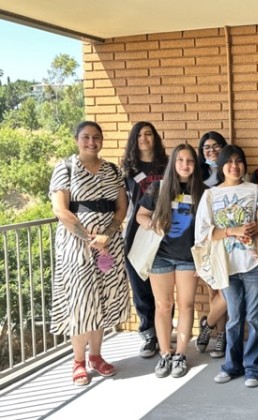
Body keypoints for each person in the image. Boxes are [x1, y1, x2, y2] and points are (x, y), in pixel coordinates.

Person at [49, 121, 130, 386]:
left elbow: (121, 207)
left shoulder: (112, 170)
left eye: (97, 137)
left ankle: (96, 356)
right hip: (76, 246)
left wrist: (107, 234)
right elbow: (61, 210)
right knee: (82, 301)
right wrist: (88, 238)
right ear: (77, 139)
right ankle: (78, 362)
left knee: (103, 301)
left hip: (109, 244)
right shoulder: (65, 168)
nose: (92, 142)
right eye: (86, 137)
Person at [195, 145, 258, 388]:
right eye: (229, 161)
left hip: (254, 264)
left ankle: (254, 368)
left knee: (256, 318)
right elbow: (202, 233)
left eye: (239, 161)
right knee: (234, 318)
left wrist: (257, 225)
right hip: (226, 266)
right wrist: (231, 231)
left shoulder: (256, 191)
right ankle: (231, 365)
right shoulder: (211, 195)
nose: (234, 166)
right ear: (221, 165)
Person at [136, 143, 205, 378]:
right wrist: (151, 224)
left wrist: (203, 260)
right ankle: (165, 353)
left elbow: (207, 228)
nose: (185, 165)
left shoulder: (203, 191)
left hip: (188, 258)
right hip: (160, 256)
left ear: (195, 165)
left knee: (186, 306)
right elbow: (140, 214)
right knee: (163, 306)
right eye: (181, 160)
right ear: (173, 163)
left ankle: (181, 354)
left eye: (190, 161)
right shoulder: (158, 188)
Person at [121, 121, 168, 358]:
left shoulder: (166, 164)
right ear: (134, 139)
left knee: (162, 282)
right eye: (139, 135)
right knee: (140, 282)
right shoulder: (128, 168)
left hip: (164, 229)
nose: (144, 138)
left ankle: (163, 333)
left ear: (155, 138)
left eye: (148, 134)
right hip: (137, 229)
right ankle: (148, 334)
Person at [195, 131, 228, 358]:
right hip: (207, 243)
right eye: (207, 148)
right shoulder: (197, 179)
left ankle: (208, 325)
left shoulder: (232, 174)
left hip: (229, 243)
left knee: (227, 293)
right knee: (214, 292)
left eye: (216, 146)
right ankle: (220, 336)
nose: (211, 151)